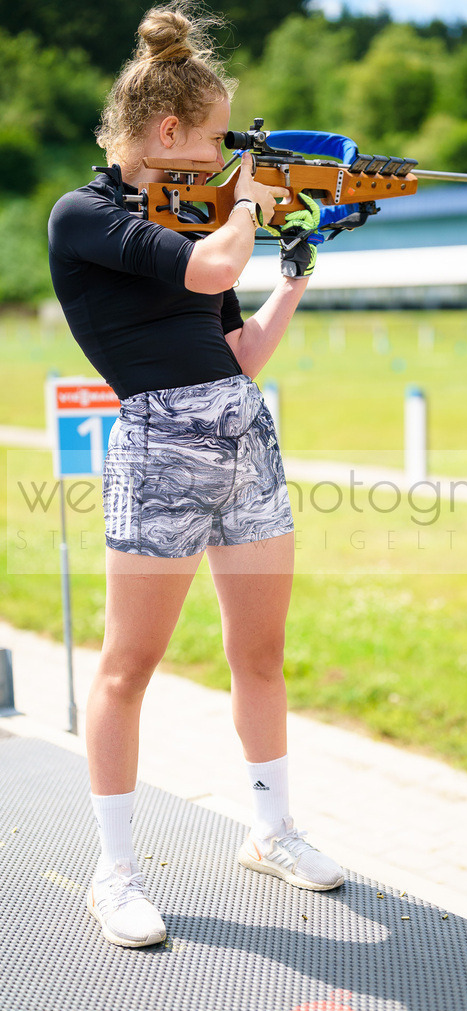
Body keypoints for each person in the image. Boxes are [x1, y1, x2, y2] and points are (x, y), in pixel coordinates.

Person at [47, 2, 344, 950]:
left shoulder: (196, 215)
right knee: (129, 668)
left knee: (259, 655)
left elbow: (242, 349)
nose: (228, 157)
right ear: (167, 130)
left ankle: (271, 830)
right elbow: (214, 271)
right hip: (159, 446)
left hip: (243, 435)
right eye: (218, 139)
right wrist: (255, 203)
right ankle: (116, 874)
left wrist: (294, 268)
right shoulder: (88, 216)